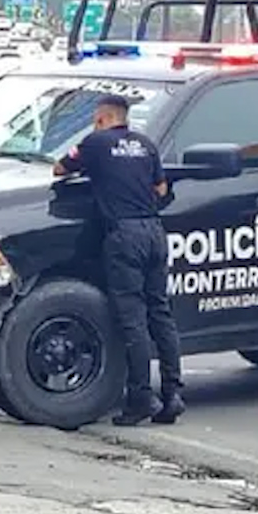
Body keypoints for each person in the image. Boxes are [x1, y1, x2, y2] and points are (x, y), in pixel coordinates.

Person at [54, 93, 182, 426]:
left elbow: (60, 169)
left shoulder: (95, 143)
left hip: (124, 236)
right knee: (160, 313)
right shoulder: (146, 145)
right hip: (154, 232)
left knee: (132, 319)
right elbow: (160, 189)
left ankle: (140, 398)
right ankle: (172, 393)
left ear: (102, 118)